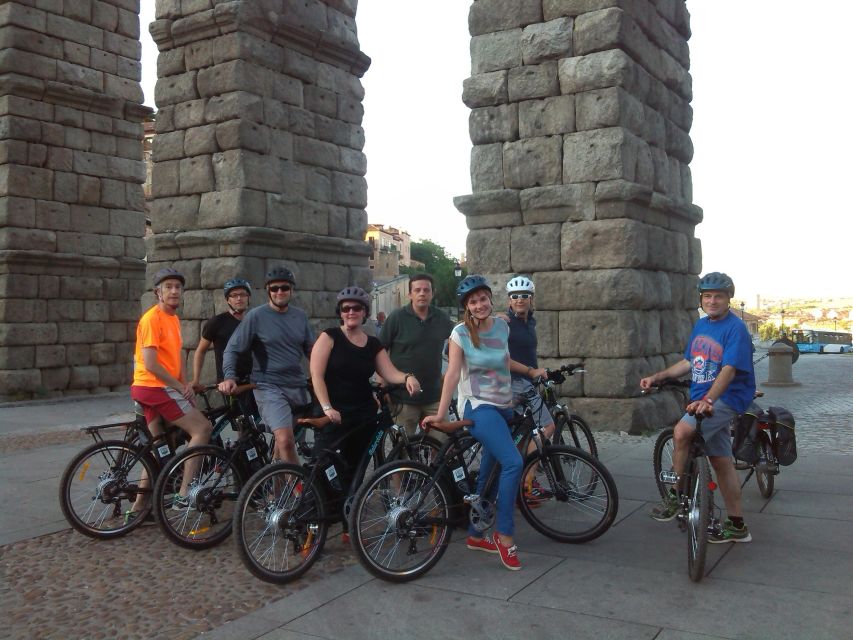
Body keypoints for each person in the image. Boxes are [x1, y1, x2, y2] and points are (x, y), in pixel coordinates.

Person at [424, 275, 535, 571]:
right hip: (477, 406)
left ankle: (475, 534)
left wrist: (531, 371)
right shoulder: (459, 334)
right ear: (467, 307)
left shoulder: (502, 326)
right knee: (512, 462)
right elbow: (452, 374)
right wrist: (441, 413)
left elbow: (504, 361)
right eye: (473, 301)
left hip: (503, 404)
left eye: (483, 298)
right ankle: (504, 534)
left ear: (490, 299)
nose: (480, 304)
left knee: (492, 469)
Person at [640, 272, 755, 543]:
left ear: (729, 299)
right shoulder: (701, 325)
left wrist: (709, 401)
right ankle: (737, 526)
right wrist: (658, 376)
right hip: (704, 396)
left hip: (727, 397)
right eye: (707, 296)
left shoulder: (735, 328)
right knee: (721, 462)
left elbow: (728, 370)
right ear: (701, 299)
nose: (712, 301)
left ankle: (675, 496)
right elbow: (688, 362)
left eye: (718, 296)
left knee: (681, 432)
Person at [309, 286, 421, 494]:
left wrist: (407, 377)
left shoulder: (372, 343)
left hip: (362, 414)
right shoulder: (329, 337)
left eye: (356, 308)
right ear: (340, 313)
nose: (350, 312)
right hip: (334, 412)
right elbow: (316, 375)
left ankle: (348, 517)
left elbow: (389, 372)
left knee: (356, 468)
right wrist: (326, 407)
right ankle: (316, 513)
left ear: (364, 313)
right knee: (325, 467)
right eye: (345, 308)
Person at [129, 268, 212, 516]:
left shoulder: (173, 319)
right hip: (154, 387)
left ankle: (138, 509)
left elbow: (174, 359)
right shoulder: (152, 319)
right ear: (158, 292)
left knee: (160, 447)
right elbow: (152, 364)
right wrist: (178, 387)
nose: (174, 291)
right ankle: (184, 494)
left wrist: (186, 385)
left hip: (153, 388)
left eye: (178, 286)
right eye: (168, 287)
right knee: (202, 429)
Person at [219, 266, 314, 464]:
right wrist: (229, 376)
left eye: (284, 288)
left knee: (283, 445)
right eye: (274, 288)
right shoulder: (256, 316)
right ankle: (299, 490)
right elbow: (232, 348)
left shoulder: (300, 317)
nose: (280, 292)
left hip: (296, 385)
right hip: (268, 385)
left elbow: (312, 351)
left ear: (292, 290)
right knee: (285, 440)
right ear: (268, 291)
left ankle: (275, 492)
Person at [497, 276, 553, 504]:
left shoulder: (531, 322)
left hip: (526, 381)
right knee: (547, 426)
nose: (519, 300)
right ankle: (528, 480)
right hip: (514, 383)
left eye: (524, 296)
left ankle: (520, 481)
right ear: (509, 301)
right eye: (514, 296)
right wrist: (531, 371)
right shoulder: (504, 323)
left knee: (520, 434)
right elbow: (499, 355)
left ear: (531, 299)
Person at [379, 273, 454, 435]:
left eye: (426, 290)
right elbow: (379, 351)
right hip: (403, 397)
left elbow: (462, 334)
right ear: (410, 294)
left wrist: (490, 319)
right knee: (404, 451)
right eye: (417, 290)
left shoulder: (441, 318)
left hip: (434, 396)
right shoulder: (397, 318)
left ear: (433, 294)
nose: (422, 293)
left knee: (443, 446)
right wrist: (382, 384)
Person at [191, 278, 253, 387]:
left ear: (248, 297)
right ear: (227, 300)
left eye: (243, 294)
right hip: (227, 383)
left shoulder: (254, 322)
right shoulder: (216, 322)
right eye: (234, 295)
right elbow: (200, 351)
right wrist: (196, 380)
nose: (239, 298)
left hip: (253, 381)